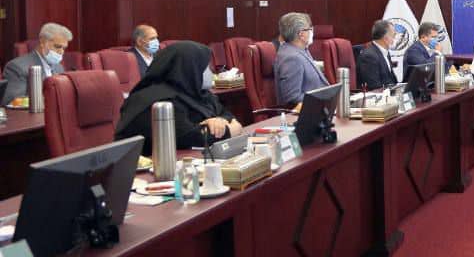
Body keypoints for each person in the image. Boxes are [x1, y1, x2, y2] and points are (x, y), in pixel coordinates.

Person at [116, 41, 244, 156]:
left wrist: (219, 120)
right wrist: (229, 131)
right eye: (205, 67)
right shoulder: (156, 100)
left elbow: (227, 115)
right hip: (147, 170)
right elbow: (187, 137)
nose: (211, 72)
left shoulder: (199, 94)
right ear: (189, 68)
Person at [3, 22, 73, 105]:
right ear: (43, 42)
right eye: (57, 46)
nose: (61, 52)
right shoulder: (17, 67)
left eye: (64, 48)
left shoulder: (59, 67)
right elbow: (14, 101)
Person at [273, 12, 329, 109]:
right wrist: (322, 101)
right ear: (301, 34)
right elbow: (292, 98)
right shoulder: (291, 58)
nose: (312, 32)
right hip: (305, 113)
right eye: (309, 29)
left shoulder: (301, 51)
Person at [357, 19, 398, 90]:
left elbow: (390, 80)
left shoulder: (385, 52)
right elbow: (374, 87)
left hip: (389, 92)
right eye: (393, 35)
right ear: (385, 38)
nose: (395, 38)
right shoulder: (369, 56)